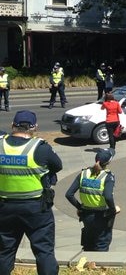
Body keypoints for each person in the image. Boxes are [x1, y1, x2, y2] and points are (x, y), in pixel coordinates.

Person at [0, 110, 63, 275]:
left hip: (4, 208)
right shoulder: (40, 148)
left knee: (4, 251)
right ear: (34, 128)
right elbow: (57, 165)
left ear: (12, 125)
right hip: (36, 208)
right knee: (44, 251)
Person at [65, 148, 119, 251]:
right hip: (102, 215)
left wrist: (80, 207)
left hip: (86, 214)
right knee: (102, 244)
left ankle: (87, 264)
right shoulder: (108, 177)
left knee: (89, 244)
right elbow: (108, 196)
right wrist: (113, 210)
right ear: (109, 162)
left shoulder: (84, 173)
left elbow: (69, 194)